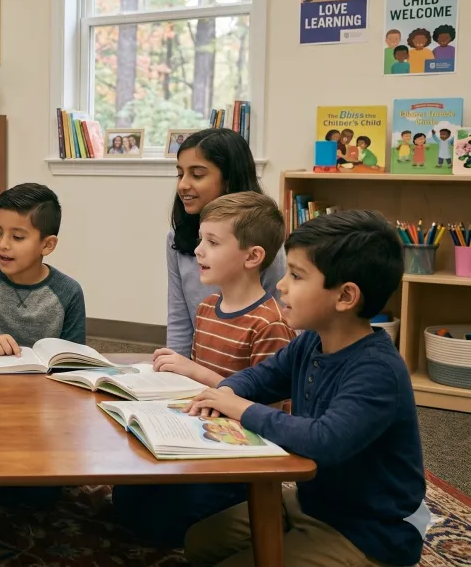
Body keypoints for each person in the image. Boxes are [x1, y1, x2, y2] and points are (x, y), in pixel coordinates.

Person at [184, 211, 427, 567]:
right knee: (199, 542)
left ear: (345, 296)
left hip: (367, 531)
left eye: (296, 276)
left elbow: (322, 440)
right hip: (314, 502)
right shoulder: (311, 341)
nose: (280, 285)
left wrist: (240, 409)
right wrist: (228, 391)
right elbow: (262, 377)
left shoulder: (378, 371)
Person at [117, 192, 292, 547]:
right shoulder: (208, 307)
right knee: (124, 500)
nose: (197, 250)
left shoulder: (270, 324)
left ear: (253, 256)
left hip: (237, 458)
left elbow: (271, 412)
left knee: (158, 525)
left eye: (211, 242)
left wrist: (194, 371)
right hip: (195, 438)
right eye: (200, 239)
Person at [167, 129, 286, 357]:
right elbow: (179, 319)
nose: (183, 185)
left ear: (229, 180)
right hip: (202, 364)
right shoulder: (176, 239)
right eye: (180, 174)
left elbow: (279, 318)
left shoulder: (263, 243)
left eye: (197, 175)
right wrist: (172, 377)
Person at [0, 183, 85, 355]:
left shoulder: (69, 292)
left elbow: (75, 358)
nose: (3, 245)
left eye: (17, 237)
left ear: (47, 245)